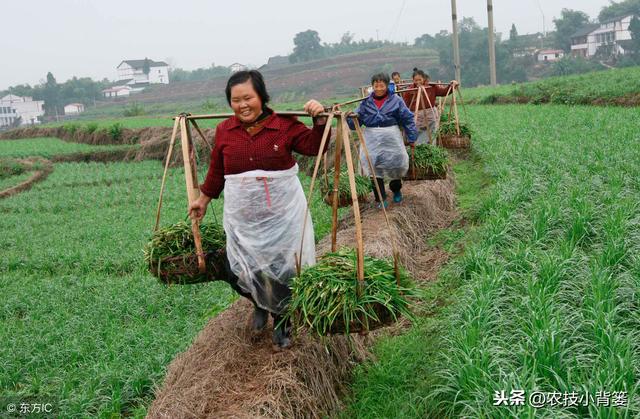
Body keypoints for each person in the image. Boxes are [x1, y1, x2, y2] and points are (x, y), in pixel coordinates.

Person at [189, 70, 329, 349]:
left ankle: (281, 321)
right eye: (235, 100)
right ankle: (259, 302)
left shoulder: (284, 125)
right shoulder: (225, 131)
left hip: (282, 215)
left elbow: (315, 146)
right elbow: (218, 170)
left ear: (261, 97)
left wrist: (320, 119)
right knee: (239, 266)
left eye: (248, 98)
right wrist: (202, 200)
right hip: (243, 216)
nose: (242, 105)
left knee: (284, 267)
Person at [348, 72, 417, 208]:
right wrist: (349, 117)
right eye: (376, 84)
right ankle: (381, 198)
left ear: (386, 85)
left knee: (397, 164)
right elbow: (355, 124)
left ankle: (396, 189)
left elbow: (407, 118)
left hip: (391, 137)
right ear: (372, 86)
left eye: (382, 84)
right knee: (373, 167)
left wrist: (412, 137)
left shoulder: (396, 100)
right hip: (371, 138)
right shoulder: (365, 102)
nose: (379, 87)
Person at [403, 68, 458, 144]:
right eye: (416, 80)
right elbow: (405, 104)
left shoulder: (432, 87)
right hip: (416, 116)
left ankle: (431, 149)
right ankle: (417, 149)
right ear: (413, 80)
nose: (418, 82)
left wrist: (452, 86)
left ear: (424, 78)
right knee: (416, 134)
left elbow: (443, 92)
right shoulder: (409, 90)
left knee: (431, 134)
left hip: (430, 115)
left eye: (420, 80)